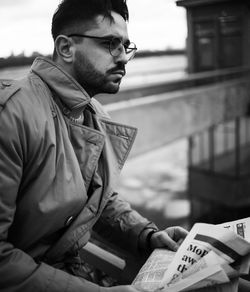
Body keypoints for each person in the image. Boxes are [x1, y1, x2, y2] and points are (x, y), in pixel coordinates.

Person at [0, 0, 188, 291]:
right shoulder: (11, 114)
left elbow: (98, 199)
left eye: (126, 46)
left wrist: (147, 236)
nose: (123, 58)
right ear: (65, 48)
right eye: (110, 44)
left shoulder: (95, 115)